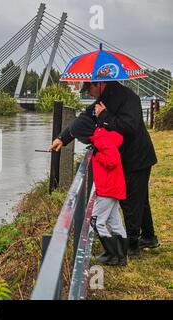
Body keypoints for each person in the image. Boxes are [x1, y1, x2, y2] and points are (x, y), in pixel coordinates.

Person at [49, 81, 158, 257]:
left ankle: (131, 245)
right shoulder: (105, 98)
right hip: (129, 156)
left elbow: (129, 126)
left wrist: (105, 115)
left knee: (131, 201)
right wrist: (63, 138)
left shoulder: (129, 98)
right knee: (140, 199)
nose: (89, 94)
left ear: (99, 84)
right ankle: (148, 237)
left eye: (89, 89)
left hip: (137, 157)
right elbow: (85, 118)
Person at [68, 114, 128, 266]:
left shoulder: (101, 140)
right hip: (113, 185)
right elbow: (116, 144)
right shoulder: (101, 136)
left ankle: (112, 254)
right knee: (114, 221)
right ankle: (121, 256)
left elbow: (112, 160)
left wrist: (97, 154)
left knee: (96, 221)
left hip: (108, 187)